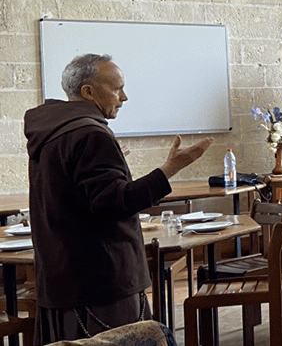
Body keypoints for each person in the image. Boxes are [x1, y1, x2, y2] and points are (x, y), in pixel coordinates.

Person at [24, 54, 213, 343]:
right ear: (87, 91)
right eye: (116, 88)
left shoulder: (54, 130)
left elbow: (79, 192)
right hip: (102, 282)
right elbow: (115, 203)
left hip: (63, 276)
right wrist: (170, 169)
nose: (124, 97)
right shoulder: (90, 134)